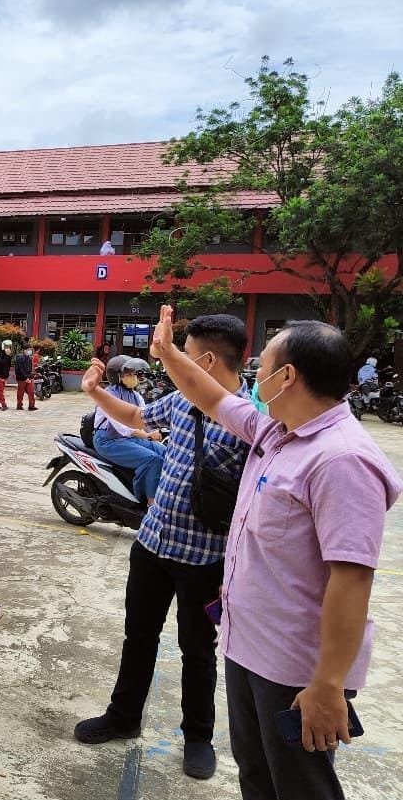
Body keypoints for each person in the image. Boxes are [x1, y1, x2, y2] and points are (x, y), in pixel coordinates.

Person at [149, 309, 401, 799]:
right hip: (249, 647)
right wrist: (169, 354)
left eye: (260, 368)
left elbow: (352, 580)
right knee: (257, 773)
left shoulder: (342, 460)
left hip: (295, 668)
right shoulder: (277, 431)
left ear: (287, 377)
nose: (251, 378)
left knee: (301, 786)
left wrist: (328, 683)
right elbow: (211, 396)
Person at [75, 314, 252, 781]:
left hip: (205, 558)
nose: (179, 364)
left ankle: (198, 736)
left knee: (198, 650)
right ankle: (123, 716)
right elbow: (135, 417)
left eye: (187, 356)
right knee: (139, 636)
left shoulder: (249, 419)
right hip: (152, 544)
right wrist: (95, 392)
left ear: (207, 360)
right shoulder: (181, 399)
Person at [93, 356, 165, 504]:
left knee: (166, 454)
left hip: (130, 439)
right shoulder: (109, 395)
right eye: (129, 374)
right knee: (153, 460)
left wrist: (158, 428)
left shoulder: (136, 395)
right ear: (117, 376)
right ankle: (150, 503)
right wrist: (147, 435)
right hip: (109, 440)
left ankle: (162, 494)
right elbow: (122, 428)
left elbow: (145, 417)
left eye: (134, 374)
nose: (133, 377)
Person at [15, 344, 37, 411]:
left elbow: (30, 369)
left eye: (30, 350)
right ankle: (19, 405)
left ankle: (31, 405)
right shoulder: (19, 358)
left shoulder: (29, 358)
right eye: (28, 350)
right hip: (21, 378)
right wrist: (25, 377)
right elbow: (20, 369)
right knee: (20, 393)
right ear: (24, 350)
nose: (30, 351)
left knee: (31, 391)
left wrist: (30, 377)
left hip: (29, 378)